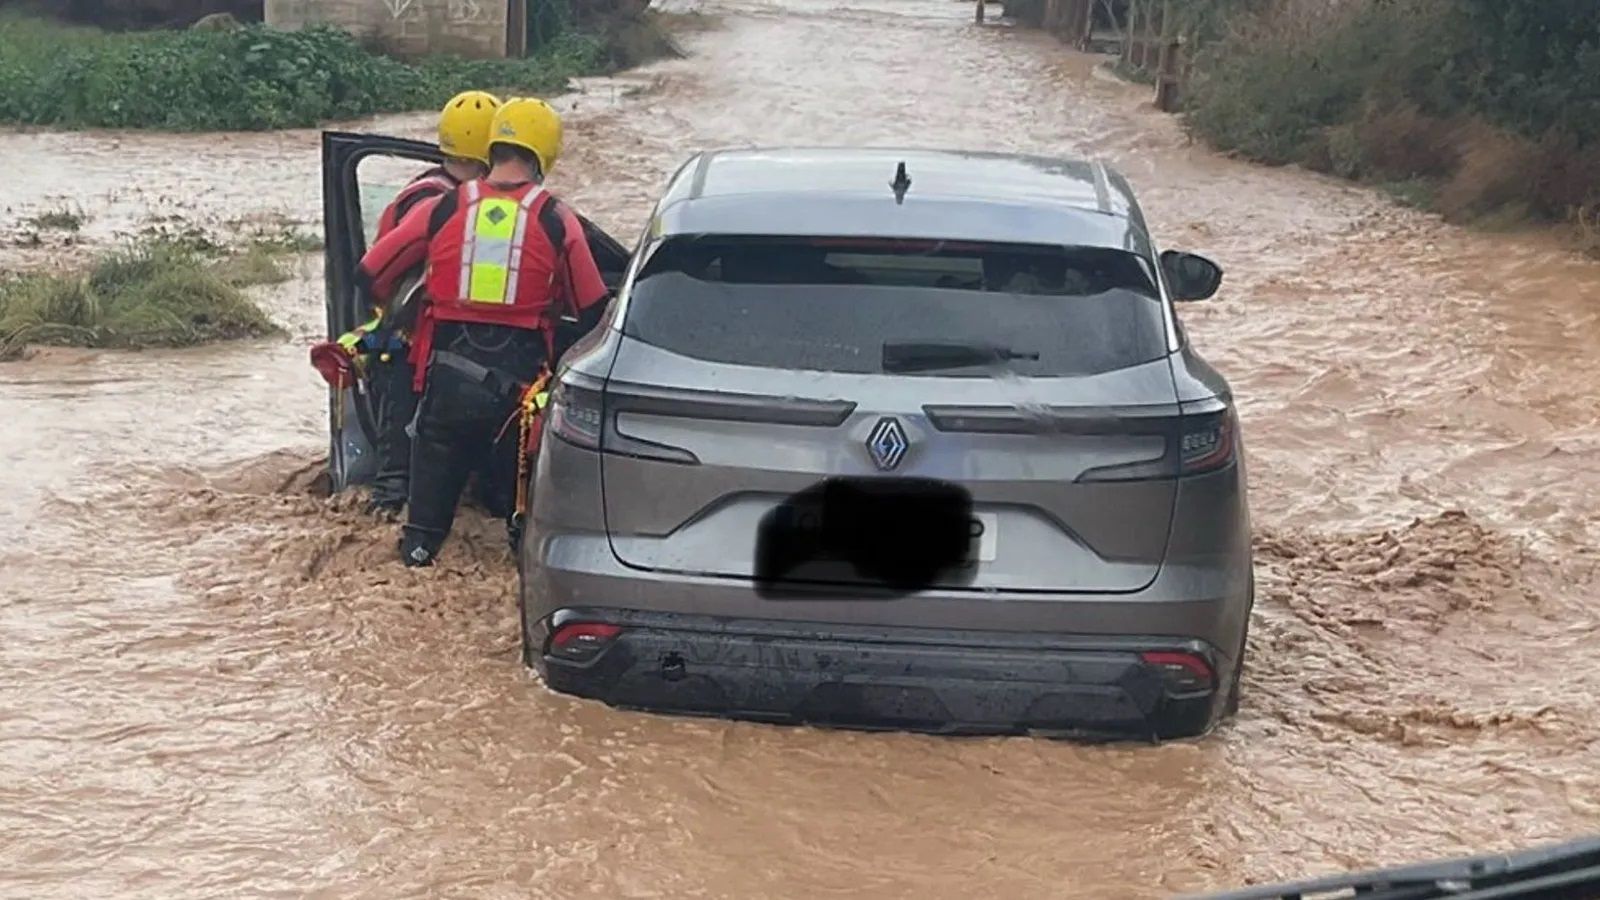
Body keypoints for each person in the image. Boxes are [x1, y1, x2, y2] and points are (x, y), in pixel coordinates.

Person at [352, 96, 610, 567]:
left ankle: (419, 552)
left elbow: (371, 271)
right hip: (518, 401)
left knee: (421, 543)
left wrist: (396, 316)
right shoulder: (556, 218)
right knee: (511, 541)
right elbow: (593, 308)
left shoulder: (445, 206)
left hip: (444, 385)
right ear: (545, 153)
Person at [357, 90, 503, 517]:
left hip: (412, 345)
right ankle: (393, 501)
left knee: (408, 471)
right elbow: (376, 275)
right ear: (488, 155)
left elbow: (370, 276)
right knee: (399, 481)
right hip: (408, 348)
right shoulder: (441, 203)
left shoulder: (428, 191)